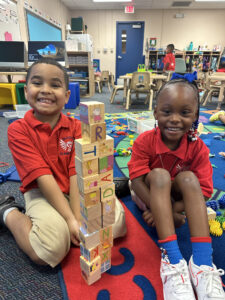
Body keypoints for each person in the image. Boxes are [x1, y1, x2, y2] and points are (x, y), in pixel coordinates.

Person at [0, 57, 126, 268]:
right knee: (49, 249)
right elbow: (42, 177)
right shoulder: (18, 130)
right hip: (42, 191)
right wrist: (71, 221)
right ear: (26, 89)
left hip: (79, 187)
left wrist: (79, 219)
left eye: (55, 85)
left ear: (67, 96)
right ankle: (8, 211)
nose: (46, 90)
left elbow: (77, 172)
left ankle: (98, 199)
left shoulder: (77, 127)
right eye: (37, 83)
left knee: (117, 224)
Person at [128, 78, 225, 300]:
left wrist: (174, 210)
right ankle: (172, 259)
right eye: (167, 111)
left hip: (175, 196)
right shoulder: (144, 141)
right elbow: (136, 181)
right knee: (160, 175)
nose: (174, 119)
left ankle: (201, 263)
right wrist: (164, 212)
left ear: (195, 117)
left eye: (184, 113)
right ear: (155, 113)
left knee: (190, 178)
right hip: (146, 193)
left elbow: (205, 190)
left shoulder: (197, 147)